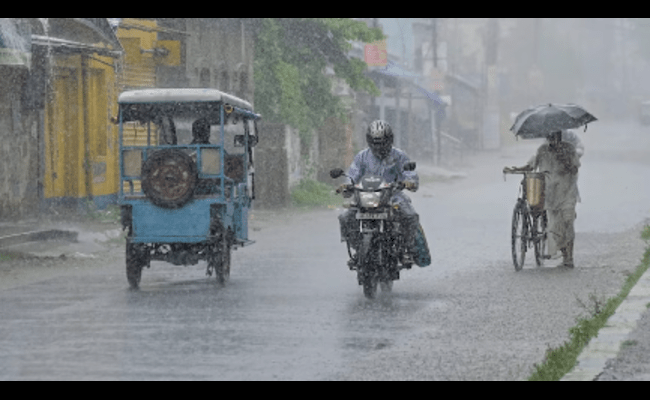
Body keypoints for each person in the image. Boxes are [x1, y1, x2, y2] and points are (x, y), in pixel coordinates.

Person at [337, 120, 420, 267]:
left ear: (390, 140)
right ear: (369, 140)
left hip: (393, 196)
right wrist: (347, 186)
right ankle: (357, 248)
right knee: (345, 217)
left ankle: (406, 249)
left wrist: (409, 182)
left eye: (382, 142)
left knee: (410, 216)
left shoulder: (399, 156)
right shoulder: (362, 156)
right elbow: (353, 174)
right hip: (366, 196)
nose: (379, 146)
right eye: (375, 142)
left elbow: (409, 173)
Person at [507, 130, 581, 268]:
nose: (553, 140)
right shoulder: (542, 150)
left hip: (568, 192)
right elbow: (532, 165)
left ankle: (569, 257)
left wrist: (565, 160)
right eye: (550, 137)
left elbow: (575, 169)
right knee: (554, 228)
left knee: (568, 222)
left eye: (556, 136)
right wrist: (517, 169)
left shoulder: (569, 148)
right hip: (551, 195)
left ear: (559, 136)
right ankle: (564, 253)